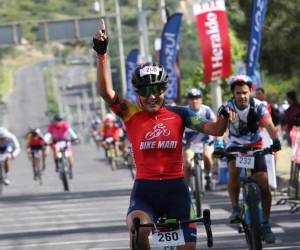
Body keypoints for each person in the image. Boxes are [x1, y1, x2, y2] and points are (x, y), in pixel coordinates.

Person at [93, 19, 234, 250]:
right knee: (140, 229)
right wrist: (102, 55)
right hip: (145, 192)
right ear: (138, 93)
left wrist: (224, 116)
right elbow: (106, 92)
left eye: (157, 90)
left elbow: (216, 130)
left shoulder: (181, 114)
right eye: (145, 91)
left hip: (176, 190)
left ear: (164, 90)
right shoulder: (130, 113)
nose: (152, 96)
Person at [219, 75, 281, 244]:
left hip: (255, 145)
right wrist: (219, 146)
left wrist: (275, 141)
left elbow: (268, 124)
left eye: (245, 92)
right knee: (233, 171)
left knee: (263, 184)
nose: (242, 96)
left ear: (250, 91)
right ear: (233, 93)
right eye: (238, 93)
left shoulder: (259, 106)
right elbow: (220, 130)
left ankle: (266, 224)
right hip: (235, 145)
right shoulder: (227, 107)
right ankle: (235, 209)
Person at [183, 88, 216, 191]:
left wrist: (216, 139)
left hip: (206, 141)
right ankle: (187, 186)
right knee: (187, 162)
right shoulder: (184, 111)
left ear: (201, 99)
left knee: (207, 156)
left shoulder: (207, 110)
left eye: (197, 98)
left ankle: (208, 175)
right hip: (190, 142)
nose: (194, 101)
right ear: (188, 100)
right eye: (191, 98)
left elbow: (215, 124)